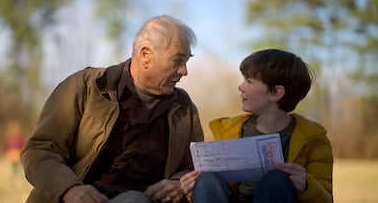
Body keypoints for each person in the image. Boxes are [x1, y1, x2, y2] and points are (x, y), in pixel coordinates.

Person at [20, 15, 204, 203]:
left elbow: (194, 165)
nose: (184, 71)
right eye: (177, 60)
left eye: (186, 61)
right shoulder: (87, 87)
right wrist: (70, 189)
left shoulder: (184, 107)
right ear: (146, 55)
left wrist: (177, 184)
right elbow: (39, 151)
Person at [180, 49, 333, 203]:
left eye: (249, 81)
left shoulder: (313, 140)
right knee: (206, 180)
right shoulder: (227, 131)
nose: (241, 87)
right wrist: (194, 187)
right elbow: (212, 191)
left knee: (276, 179)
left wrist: (306, 186)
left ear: (275, 93)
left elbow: (326, 199)